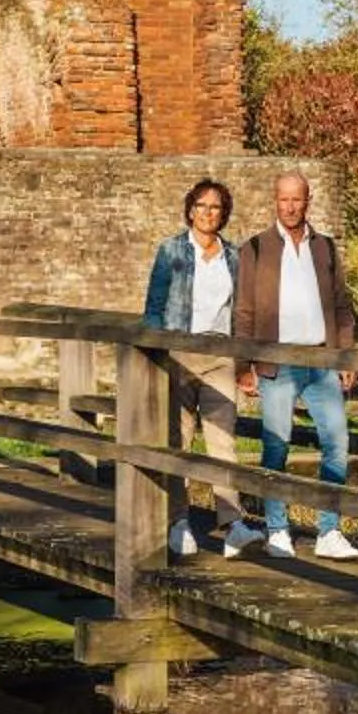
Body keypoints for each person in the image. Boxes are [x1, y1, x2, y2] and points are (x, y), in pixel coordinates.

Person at [230, 170, 358, 560]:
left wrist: (345, 356)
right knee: (276, 447)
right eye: (283, 199)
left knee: (337, 442)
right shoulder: (254, 248)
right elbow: (244, 312)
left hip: (322, 360)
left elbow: (342, 307)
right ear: (276, 200)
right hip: (277, 362)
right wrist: (243, 364)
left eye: (297, 199)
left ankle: (329, 531)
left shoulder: (325, 247)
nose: (290, 206)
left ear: (308, 201)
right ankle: (277, 530)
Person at [142, 177, 244, 559]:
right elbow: (153, 307)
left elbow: (241, 311)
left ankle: (232, 525)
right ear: (190, 210)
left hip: (219, 356)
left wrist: (244, 359)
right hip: (179, 354)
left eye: (215, 207)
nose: (207, 213)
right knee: (179, 440)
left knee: (223, 441)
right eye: (201, 206)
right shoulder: (171, 251)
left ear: (224, 214)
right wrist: (156, 354)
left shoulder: (233, 256)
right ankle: (179, 521)